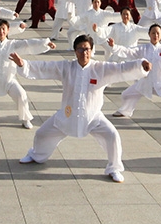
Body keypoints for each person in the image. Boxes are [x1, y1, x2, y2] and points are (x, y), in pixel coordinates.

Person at [14, 35, 151, 183]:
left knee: (112, 136)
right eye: (80, 49)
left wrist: (140, 65)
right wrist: (24, 65)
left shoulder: (100, 68)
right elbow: (46, 67)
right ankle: (36, 155)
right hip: (66, 115)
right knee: (41, 134)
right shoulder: (67, 67)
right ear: (75, 51)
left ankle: (114, 168)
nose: (84, 52)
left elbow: (121, 68)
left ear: (91, 51)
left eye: (87, 49)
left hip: (93, 117)